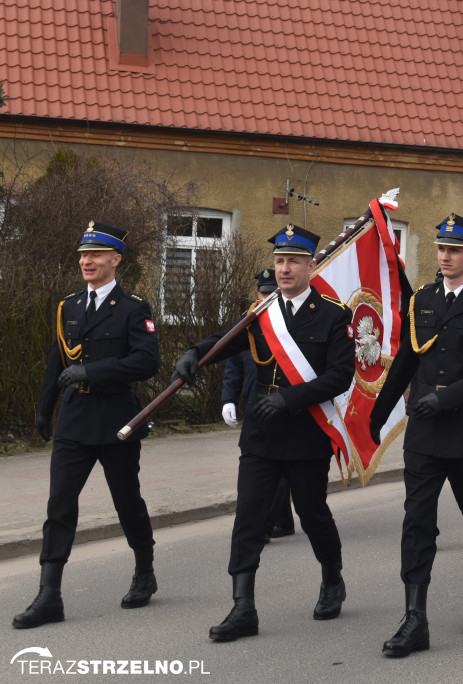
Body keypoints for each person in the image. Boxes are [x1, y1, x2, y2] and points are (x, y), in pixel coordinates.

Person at [172, 225, 355, 641]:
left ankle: (332, 577)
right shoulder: (261, 312)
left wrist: (290, 401)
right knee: (249, 518)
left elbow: (340, 376)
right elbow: (227, 342)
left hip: (306, 434)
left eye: (292, 261)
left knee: (312, 515)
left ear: (311, 265)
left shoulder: (332, 314)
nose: (284, 268)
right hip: (260, 436)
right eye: (279, 261)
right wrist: (195, 354)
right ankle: (243, 608)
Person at [369, 214, 463, 657]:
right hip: (426, 437)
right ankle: (415, 618)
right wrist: (376, 416)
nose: (445, 256)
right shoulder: (423, 301)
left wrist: (446, 399)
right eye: (440, 248)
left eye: (454, 250)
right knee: (417, 524)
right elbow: (407, 363)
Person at [14, 222, 160, 630]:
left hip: (117, 420)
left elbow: (148, 362)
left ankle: (144, 572)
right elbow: (56, 360)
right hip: (75, 420)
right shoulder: (70, 307)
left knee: (126, 501)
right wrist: (45, 408)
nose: (86, 261)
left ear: (116, 259)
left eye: (95, 254)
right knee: (59, 505)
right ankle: (49, 595)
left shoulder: (134, 307)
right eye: (82, 254)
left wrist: (91, 370)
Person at [221, 269, 295, 540]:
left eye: (270, 292)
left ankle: (268, 523)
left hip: (283, 403)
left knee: (277, 467)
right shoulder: (247, 322)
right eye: (262, 292)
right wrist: (228, 399)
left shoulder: (288, 322)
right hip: (255, 403)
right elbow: (234, 365)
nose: (265, 297)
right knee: (264, 466)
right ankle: (280, 520)